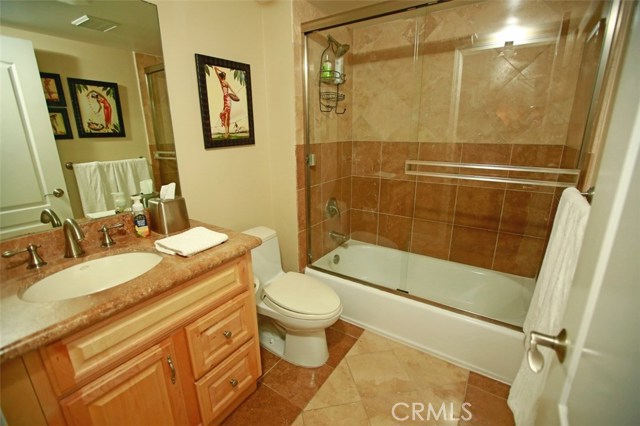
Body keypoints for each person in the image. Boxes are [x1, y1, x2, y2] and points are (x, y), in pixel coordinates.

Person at [214, 66, 239, 139]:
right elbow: (232, 90)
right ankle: (227, 132)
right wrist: (236, 96)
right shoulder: (226, 82)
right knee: (227, 116)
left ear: (221, 77)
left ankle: (226, 133)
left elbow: (215, 69)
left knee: (226, 116)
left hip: (226, 98)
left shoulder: (221, 82)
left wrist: (220, 70)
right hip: (228, 99)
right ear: (224, 77)